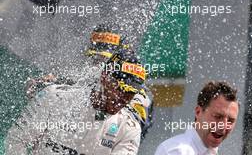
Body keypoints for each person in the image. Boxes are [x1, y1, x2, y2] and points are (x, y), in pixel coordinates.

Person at [24, 23, 154, 140]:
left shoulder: (141, 95)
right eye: (94, 57)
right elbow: (80, 87)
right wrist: (50, 85)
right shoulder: (93, 80)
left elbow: (135, 126)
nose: (96, 62)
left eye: (103, 58)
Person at [5, 49, 146, 155]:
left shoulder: (129, 128)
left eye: (131, 93)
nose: (124, 98)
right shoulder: (55, 98)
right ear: (104, 77)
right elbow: (16, 141)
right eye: (121, 89)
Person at [155, 81, 239, 155]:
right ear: (198, 112)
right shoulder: (176, 151)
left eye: (230, 121)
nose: (223, 126)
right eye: (217, 117)